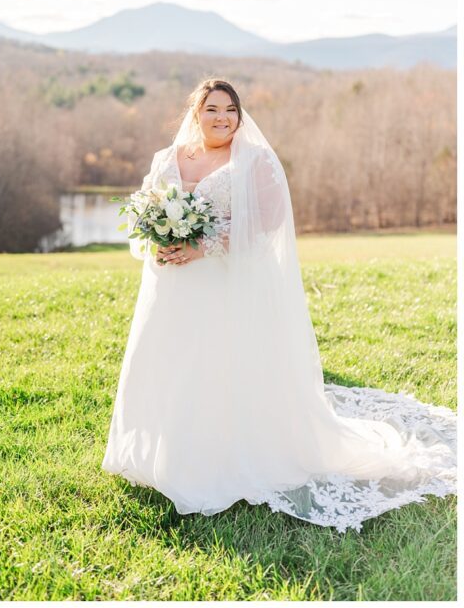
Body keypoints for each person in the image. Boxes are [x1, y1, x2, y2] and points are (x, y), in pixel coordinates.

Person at [102, 78, 456, 532]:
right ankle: (168, 453)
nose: (222, 118)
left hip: (221, 283)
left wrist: (202, 247)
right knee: (174, 362)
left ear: (239, 114)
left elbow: (266, 226)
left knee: (218, 365)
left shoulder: (254, 161)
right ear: (196, 113)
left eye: (230, 109)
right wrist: (160, 244)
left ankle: (221, 458)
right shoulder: (167, 159)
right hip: (171, 286)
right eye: (212, 109)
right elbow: (144, 213)